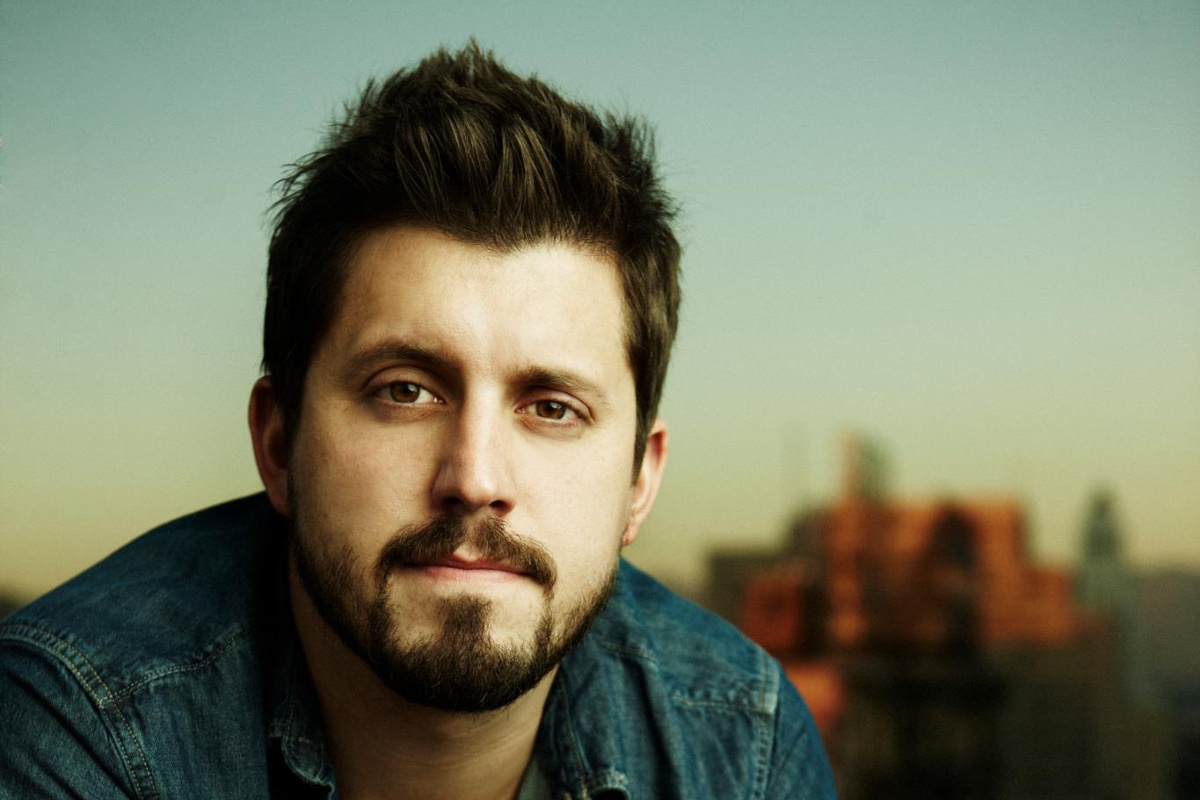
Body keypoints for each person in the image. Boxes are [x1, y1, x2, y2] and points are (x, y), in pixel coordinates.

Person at [0, 43, 836, 800]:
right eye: (405, 391)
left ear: (639, 481)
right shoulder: (77, 728)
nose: (475, 478)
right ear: (280, 444)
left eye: (552, 408)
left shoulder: (742, 745)